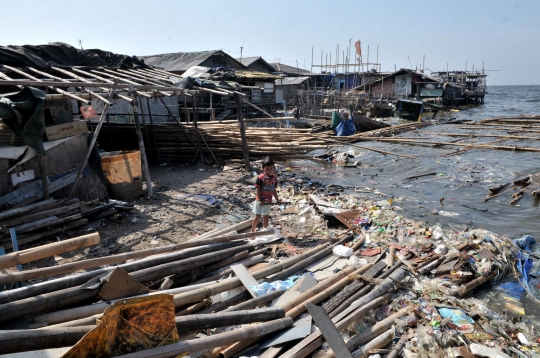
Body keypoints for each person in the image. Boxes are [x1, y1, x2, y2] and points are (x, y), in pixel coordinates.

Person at [250, 156, 280, 233]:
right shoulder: (261, 177)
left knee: (266, 216)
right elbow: (258, 189)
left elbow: (274, 190)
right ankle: (252, 231)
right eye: (267, 169)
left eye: (271, 168)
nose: (269, 171)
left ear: (273, 167)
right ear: (263, 168)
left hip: (269, 200)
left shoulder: (274, 178)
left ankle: (265, 230)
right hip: (260, 200)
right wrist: (260, 201)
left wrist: (277, 199)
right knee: (258, 216)